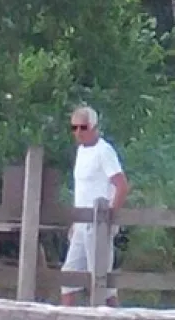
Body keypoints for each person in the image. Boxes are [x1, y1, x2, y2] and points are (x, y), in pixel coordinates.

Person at [61, 105, 129, 306]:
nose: (78, 132)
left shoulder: (104, 151)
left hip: (98, 224)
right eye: (74, 128)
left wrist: (110, 219)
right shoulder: (81, 152)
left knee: (102, 284)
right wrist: (75, 223)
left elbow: (121, 185)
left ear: (94, 127)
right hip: (81, 225)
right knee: (68, 279)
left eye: (83, 127)